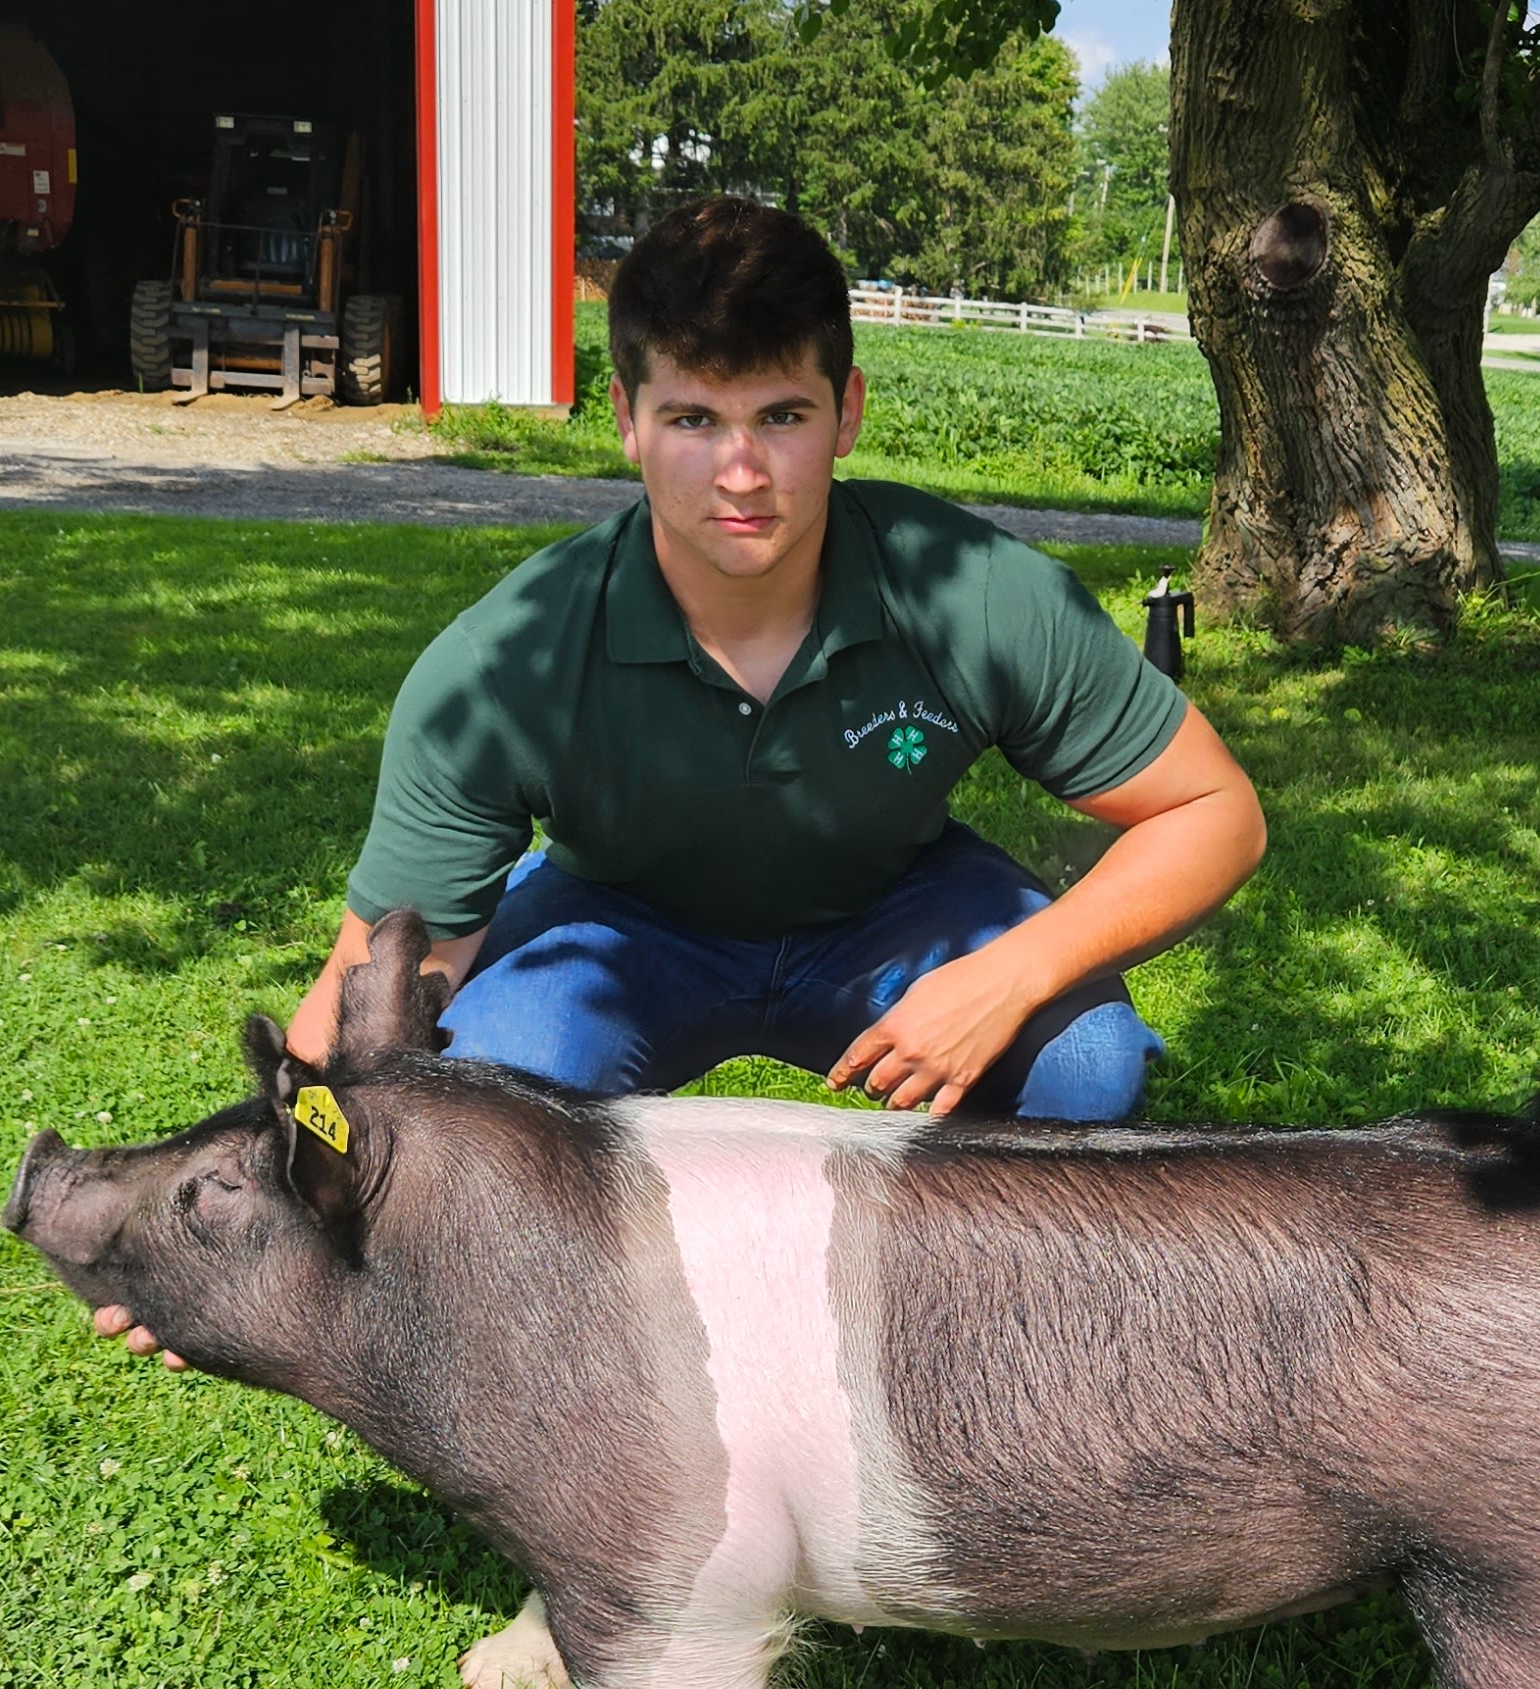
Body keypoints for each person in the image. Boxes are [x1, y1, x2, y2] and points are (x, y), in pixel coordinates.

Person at [96, 196, 1264, 1367]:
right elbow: (373, 988)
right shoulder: (507, 661)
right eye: (694, 417)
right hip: (623, 922)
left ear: (848, 412)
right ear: (626, 418)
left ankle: (983, 1346)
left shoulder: (974, 593)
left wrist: (1010, 974)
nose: (742, 470)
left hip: (892, 907)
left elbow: (1216, 812)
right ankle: (586, 1372)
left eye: (784, 414)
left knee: (1089, 1060)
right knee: (485, 1094)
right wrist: (244, 1227)